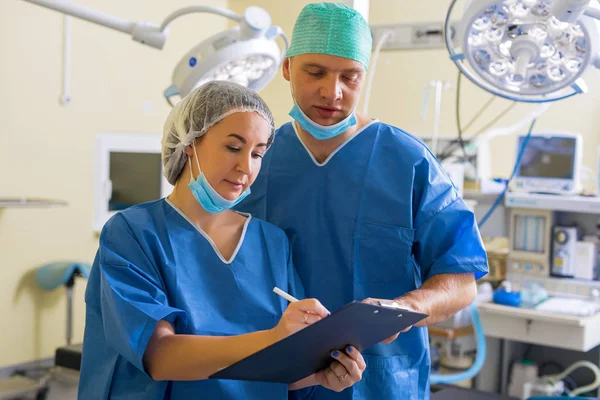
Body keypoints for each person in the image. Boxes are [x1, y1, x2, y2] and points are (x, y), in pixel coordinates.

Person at [235, 3, 489, 399]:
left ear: (363, 77)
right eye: (315, 72)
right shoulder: (256, 158)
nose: (331, 92)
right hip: (279, 380)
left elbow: (460, 282)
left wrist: (405, 308)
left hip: (382, 382)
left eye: (349, 77)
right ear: (287, 68)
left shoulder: (407, 161)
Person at [78, 80, 366, 399]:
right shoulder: (133, 232)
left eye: (257, 154)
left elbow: (277, 370)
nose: (246, 167)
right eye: (233, 147)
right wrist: (272, 339)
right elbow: (160, 355)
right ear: (190, 143)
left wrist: (317, 374)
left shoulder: (272, 243)